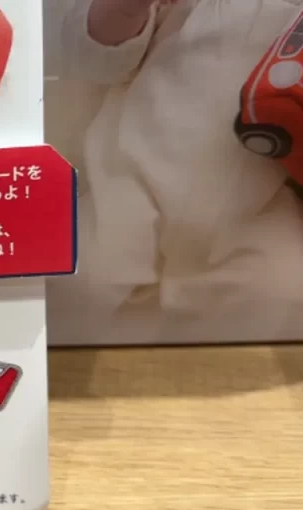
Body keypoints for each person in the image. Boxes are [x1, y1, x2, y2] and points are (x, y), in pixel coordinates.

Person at [46, 0, 303, 343]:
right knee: (85, 276)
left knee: (281, 289)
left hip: (260, 207)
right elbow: (94, 61)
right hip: (132, 178)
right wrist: (125, 10)